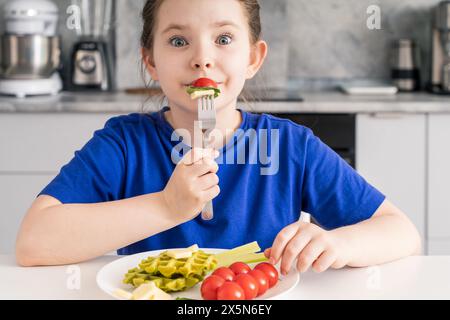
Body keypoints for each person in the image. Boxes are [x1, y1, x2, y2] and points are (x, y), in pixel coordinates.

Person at [16, 0, 421, 276]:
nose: (202, 58)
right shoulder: (122, 145)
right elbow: (34, 242)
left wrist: (340, 244)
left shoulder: (291, 147)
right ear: (151, 61)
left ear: (253, 58)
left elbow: (402, 233)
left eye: (223, 39)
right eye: (178, 41)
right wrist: (165, 207)